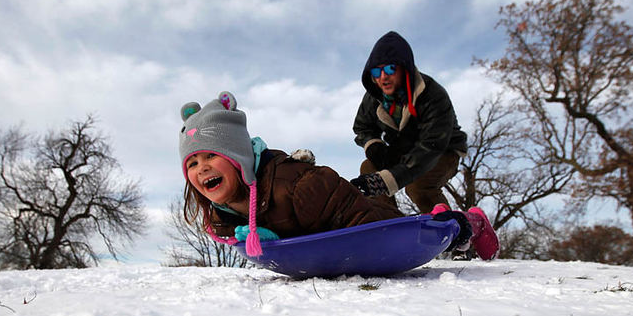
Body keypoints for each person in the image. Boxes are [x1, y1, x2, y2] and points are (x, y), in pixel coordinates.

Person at [179, 92, 497, 259]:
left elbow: (375, 233)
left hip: (369, 221)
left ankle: (470, 221)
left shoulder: (298, 186)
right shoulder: (220, 218)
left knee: (436, 228)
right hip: (336, 223)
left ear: (238, 159)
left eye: (211, 156)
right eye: (192, 163)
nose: (201, 168)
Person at [350, 31, 468, 214]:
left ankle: (450, 230)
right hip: (404, 150)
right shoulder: (373, 98)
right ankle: (388, 223)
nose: (383, 77)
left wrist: (388, 180)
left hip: (442, 151)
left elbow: (431, 147)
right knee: (369, 168)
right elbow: (362, 127)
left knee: (417, 186)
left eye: (389, 69)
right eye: (376, 71)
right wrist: (374, 146)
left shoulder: (432, 95)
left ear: (404, 68)